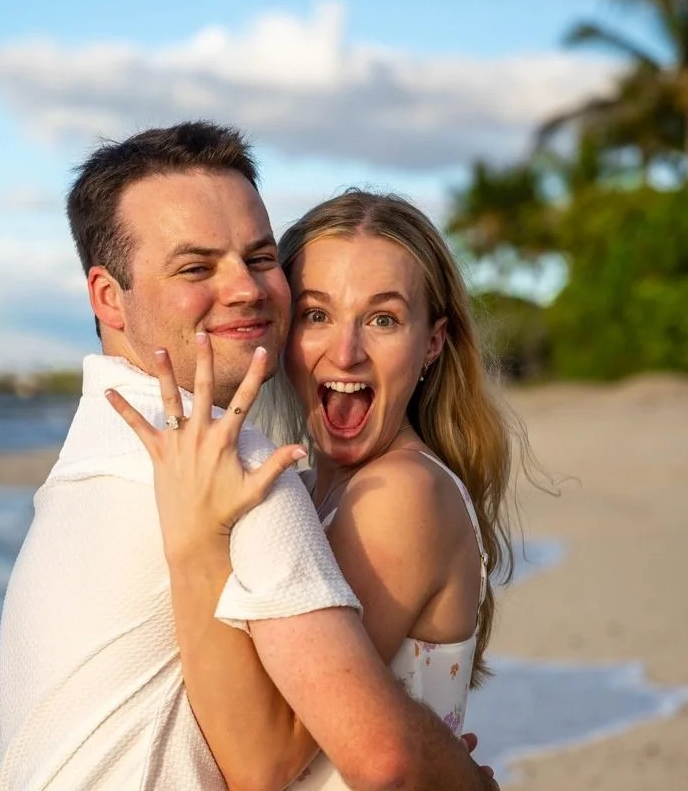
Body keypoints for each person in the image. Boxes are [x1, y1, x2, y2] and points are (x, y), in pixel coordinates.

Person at [0, 121, 500, 790]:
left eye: (259, 260)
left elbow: (322, 757)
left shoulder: (127, 458)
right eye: (317, 313)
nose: (245, 289)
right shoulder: (222, 465)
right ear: (107, 297)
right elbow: (334, 754)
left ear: (432, 342)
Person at [109, 189, 519, 788]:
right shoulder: (316, 491)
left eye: (383, 319)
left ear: (432, 342)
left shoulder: (401, 494)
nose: (346, 352)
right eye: (317, 315)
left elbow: (264, 763)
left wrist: (191, 539)